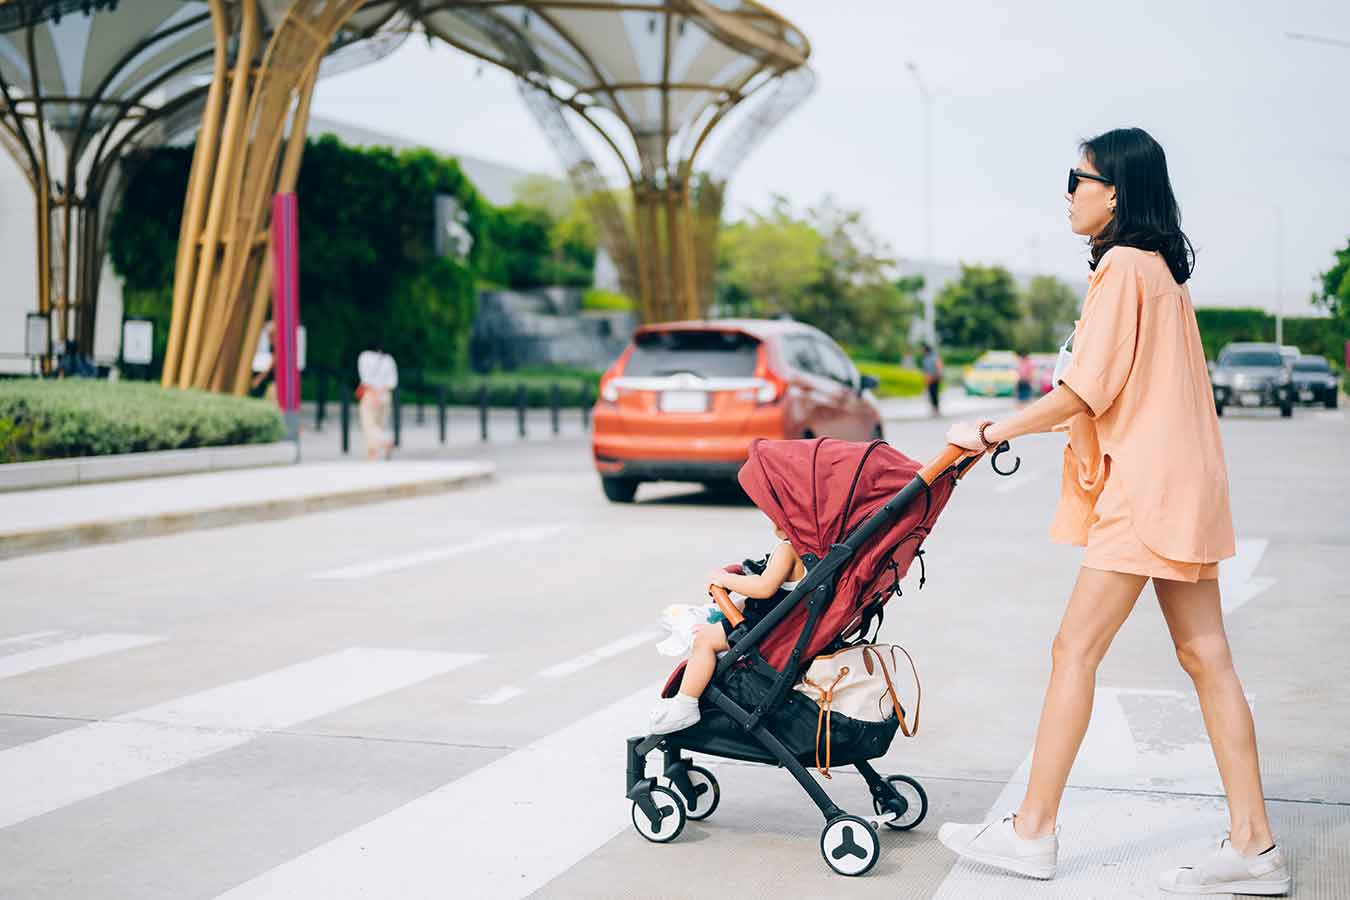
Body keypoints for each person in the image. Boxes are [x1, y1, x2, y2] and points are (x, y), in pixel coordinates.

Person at [936, 128, 1288, 895]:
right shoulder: (1161, 272)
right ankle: (1255, 847)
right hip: (1184, 485)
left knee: (1074, 650)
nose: (1068, 192)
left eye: (1077, 177)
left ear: (1115, 192)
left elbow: (1083, 391)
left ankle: (1032, 832)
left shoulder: (1124, 267)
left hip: (1145, 491)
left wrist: (988, 431)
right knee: (1208, 659)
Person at [648, 523, 806, 735]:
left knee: (704, 640)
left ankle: (686, 703)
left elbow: (764, 588)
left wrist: (723, 579)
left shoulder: (788, 550)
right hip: (782, 624)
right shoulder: (814, 553)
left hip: (764, 629)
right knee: (713, 623)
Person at [357, 344, 398, 461]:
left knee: (369, 425)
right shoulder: (389, 359)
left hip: (371, 394)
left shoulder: (364, 357)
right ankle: (372, 456)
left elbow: (365, 379)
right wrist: (381, 393)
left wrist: (375, 394)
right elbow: (392, 381)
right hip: (385, 396)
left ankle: (385, 441)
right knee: (379, 426)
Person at [920, 342, 942, 416]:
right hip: (929, 379)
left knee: (934, 393)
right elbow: (925, 370)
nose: (922, 351)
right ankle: (934, 409)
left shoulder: (934, 357)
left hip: (935, 378)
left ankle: (936, 409)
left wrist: (938, 375)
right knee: (931, 394)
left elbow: (938, 366)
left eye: (923, 350)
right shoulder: (925, 358)